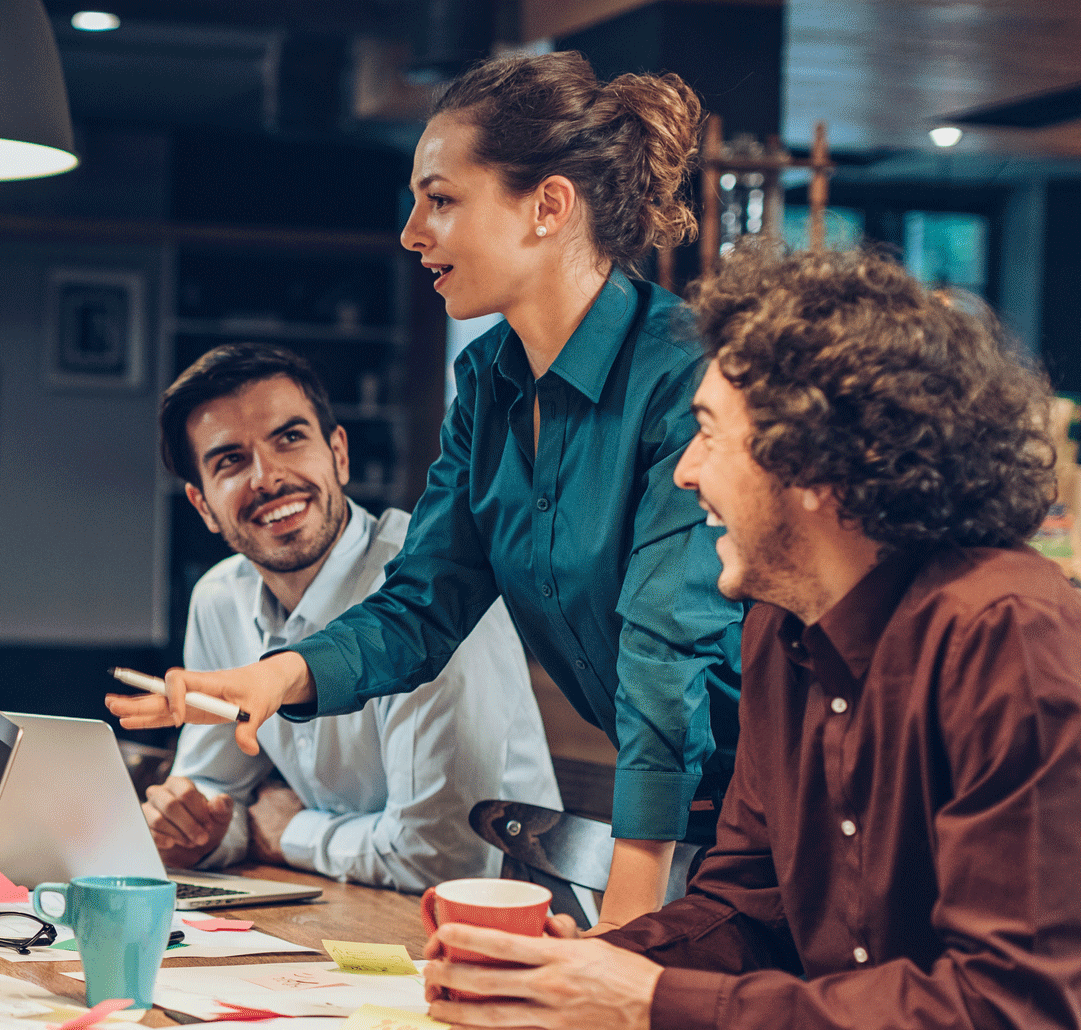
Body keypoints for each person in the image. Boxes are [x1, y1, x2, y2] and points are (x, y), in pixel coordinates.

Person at [108, 51, 744, 927]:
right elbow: (421, 602)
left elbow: (664, 659)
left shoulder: (683, 373)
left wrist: (624, 935)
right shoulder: (486, 382)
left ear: (547, 208)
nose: (412, 232)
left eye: (440, 200)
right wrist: (278, 677)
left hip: (796, 801)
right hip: (704, 825)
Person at [420, 246, 1081, 1030]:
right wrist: (603, 965)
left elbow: (1010, 1007)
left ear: (810, 462)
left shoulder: (1003, 635)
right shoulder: (778, 627)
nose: (683, 472)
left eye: (706, 434)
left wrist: (646, 1001)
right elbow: (744, 911)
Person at [144, 342, 561, 891]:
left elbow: (443, 859)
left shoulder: (434, 588)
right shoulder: (219, 598)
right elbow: (218, 794)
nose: (267, 478)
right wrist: (197, 831)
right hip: (347, 908)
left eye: (290, 439)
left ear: (338, 454)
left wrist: (292, 831)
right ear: (203, 507)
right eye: (231, 461)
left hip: (507, 924)